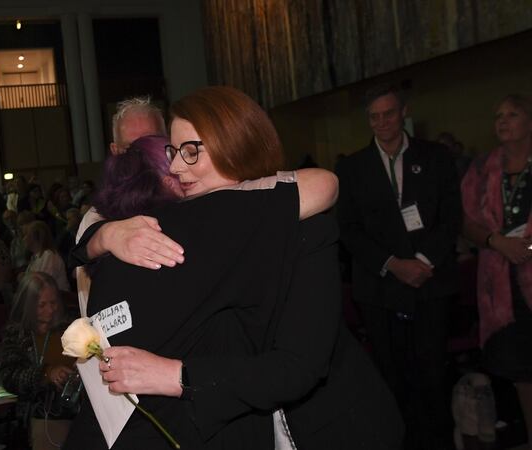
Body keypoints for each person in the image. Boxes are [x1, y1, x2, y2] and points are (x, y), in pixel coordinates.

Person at [65, 87, 402, 450]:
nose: (176, 167)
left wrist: (174, 375)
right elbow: (85, 245)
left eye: (191, 151)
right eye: (174, 152)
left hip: (326, 427)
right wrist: (104, 236)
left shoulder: (303, 226)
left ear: (235, 144)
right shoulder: (184, 223)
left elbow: (297, 367)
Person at [336, 83, 461, 450]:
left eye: (388, 113)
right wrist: (393, 264)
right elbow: (348, 229)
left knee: (433, 372)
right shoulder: (352, 167)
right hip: (380, 289)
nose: (381, 122)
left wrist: (421, 262)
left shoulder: (436, 156)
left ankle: (439, 442)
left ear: (404, 111)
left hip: (430, 281)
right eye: (374, 116)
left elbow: (450, 217)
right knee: (391, 375)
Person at [461, 94, 532, 449]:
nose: (503, 121)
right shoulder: (482, 168)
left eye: (513, 114)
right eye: (498, 116)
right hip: (503, 286)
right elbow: (468, 222)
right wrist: (496, 241)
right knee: (522, 373)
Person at [0, 272, 78, 450]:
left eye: (53, 303)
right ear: (28, 306)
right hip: (44, 413)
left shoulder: (72, 324)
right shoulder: (18, 333)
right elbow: (10, 376)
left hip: (79, 409)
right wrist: (46, 374)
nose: (50, 310)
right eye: (41, 305)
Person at [24, 220, 70, 292]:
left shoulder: (49, 255)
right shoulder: (35, 257)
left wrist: (23, 279)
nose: (24, 239)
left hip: (59, 298)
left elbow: (44, 284)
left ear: (35, 237)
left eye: (26, 234)